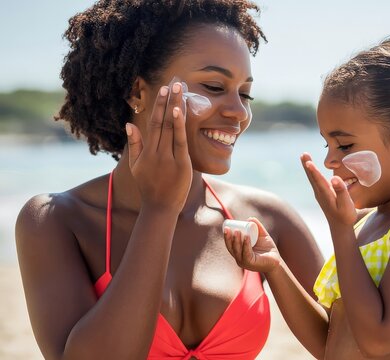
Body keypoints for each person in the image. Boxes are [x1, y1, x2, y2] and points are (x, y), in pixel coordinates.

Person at [15, 1, 324, 359]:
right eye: (213, 86)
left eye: (245, 93)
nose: (239, 112)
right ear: (138, 93)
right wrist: (160, 209)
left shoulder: (267, 218)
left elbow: (352, 347)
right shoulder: (55, 220)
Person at [224, 36, 390, 359]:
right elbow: (329, 344)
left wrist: (340, 231)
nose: (330, 162)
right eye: (327, 146)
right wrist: (275, 267)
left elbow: (377, 339)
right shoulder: (364, 225)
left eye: (345, 145)